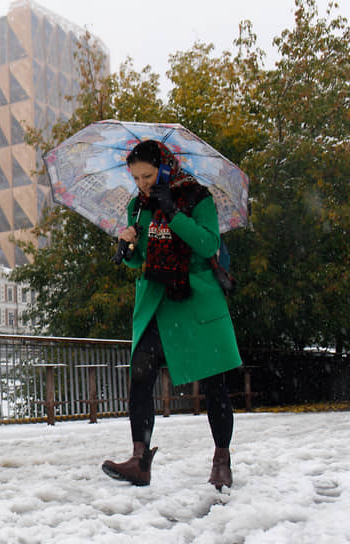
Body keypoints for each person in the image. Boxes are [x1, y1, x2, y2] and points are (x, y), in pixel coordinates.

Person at [102, 139, 243, 490]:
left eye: (147, 176)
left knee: (214, 385)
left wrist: (174, 214)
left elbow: (208, 244)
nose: (142, 185)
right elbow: (142, 257)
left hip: (196, 300)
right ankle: (139, 459)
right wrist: (126, 247)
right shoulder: (139, 206)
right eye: (135, 178)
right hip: (158, 301)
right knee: (140, 375)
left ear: (165, 167)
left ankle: (222, 461)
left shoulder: (198, 197)